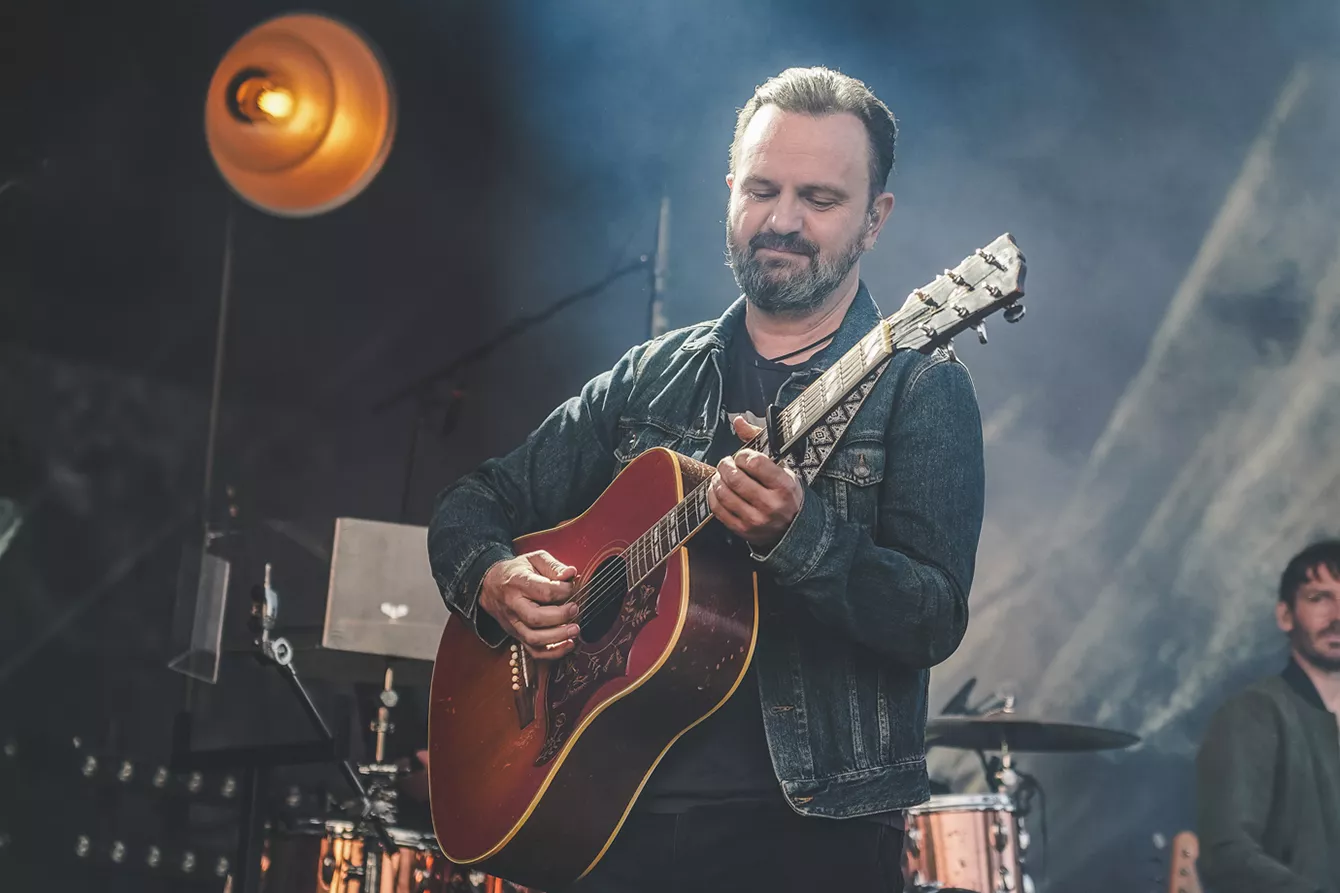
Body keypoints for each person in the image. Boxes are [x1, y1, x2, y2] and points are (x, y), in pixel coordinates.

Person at [428, 66, 985, 893]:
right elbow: (474, 504)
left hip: (809, 832)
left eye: (820, 199)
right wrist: (494, 576)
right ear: (730, 192)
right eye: (761, 189)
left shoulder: (918, 385)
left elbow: (932, 616)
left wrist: (801, 539)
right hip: (608, 814)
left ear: (876, 220)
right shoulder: (650, 376)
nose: (783, 220)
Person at [1196, 541, 1340, 893]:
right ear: (1285, 615)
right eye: (1319, 598)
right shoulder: (1251, 714)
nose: (1338, 615)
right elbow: (1228, 855)